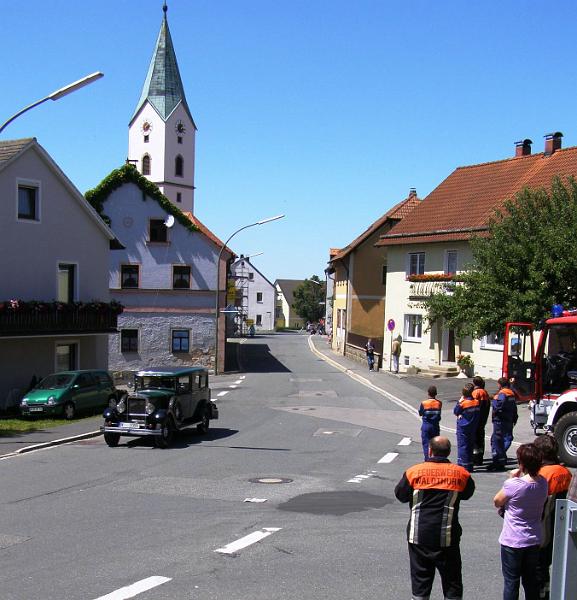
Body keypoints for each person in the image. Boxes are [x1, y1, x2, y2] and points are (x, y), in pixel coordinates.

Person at [395, 436, 475, 600]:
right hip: (447, 536)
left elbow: (400, 495)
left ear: (430, 451)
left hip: (419, 535)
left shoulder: (414, 472)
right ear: (449, 452)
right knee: (452, 582)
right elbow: (467, 494)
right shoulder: (461, 474)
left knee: (420, 583)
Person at [493, 443, 548, 600]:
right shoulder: (543, 483)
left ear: (521, 463)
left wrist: (511, 478)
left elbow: (497, 501)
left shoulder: (514, 485)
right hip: (533, 538)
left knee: (511, 581)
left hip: (513, 540)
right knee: (530, 580)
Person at [533, 435, 572, 600]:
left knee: (539, 567)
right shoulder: (566, 472)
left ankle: (542, 593)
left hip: (543, 528)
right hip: (561, 526)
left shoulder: (542, 475)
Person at [489, 377, 518, 471]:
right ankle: (501, 457)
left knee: (497, 440)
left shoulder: (502, 394)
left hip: (500, 420)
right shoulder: (511, 393)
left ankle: (498, 458)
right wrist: (514, 417)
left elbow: (498, 405)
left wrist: (494, 400)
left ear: (499, 384)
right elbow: (514, 407)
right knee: (508, 438)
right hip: (509, 419)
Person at [454, 384, 480, 472]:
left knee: (463, 446)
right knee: (469, 446)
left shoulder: (463, 403)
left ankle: (463, 465)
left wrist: (459, 402)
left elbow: (456, 411)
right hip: (472, 427)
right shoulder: (476, 402)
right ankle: (469, 464)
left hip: (463, 427)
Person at [418, 385, 442, 461]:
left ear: (428, 393)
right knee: (435, 444)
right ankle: (435, 459)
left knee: (426, 444)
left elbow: (421, 413)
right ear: (436, 394)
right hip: (435, 426)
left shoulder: (424, 403)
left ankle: (428, 459)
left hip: (426, 425)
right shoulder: (439, 403)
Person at [472, 376, 491, 466]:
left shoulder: (475, 393)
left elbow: (473, 406)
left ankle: (475, 459)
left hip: (476, 420)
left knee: (475, 440)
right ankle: (480, 458)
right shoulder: (485, 393)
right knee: (480, 439)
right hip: (483, 420)